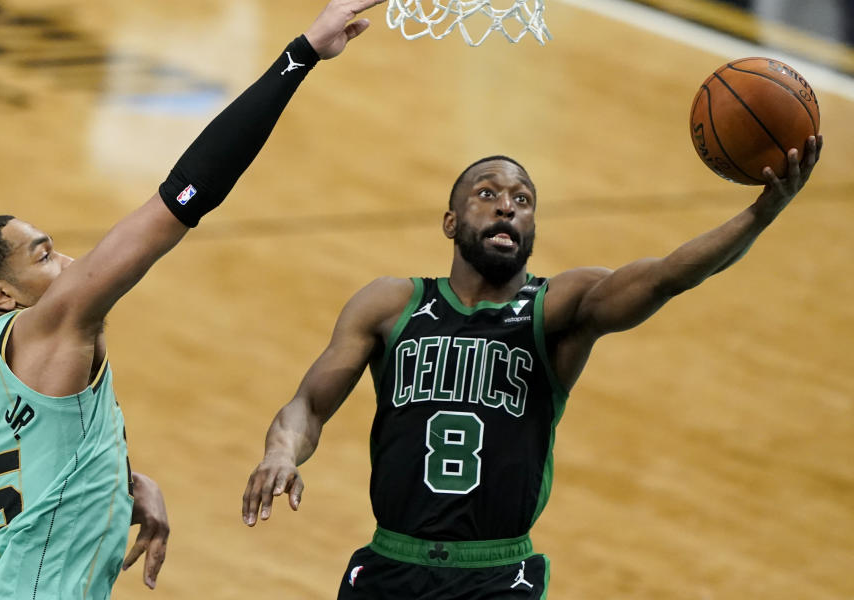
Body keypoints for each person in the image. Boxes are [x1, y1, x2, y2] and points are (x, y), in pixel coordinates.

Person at [0, 0, 395, 600]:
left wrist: (121, 482)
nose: (70, 264)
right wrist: (300, 55)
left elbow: (38, 462)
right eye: (44, 255)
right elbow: (186, 193)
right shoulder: (54, 321)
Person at [242, 137, 823, 599]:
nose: (506, 207)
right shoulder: (391, 303)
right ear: (450, 222)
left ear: (532, 228)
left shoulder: (558, 308)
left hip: (497, 576)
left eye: (522, 201)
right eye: (488, 194)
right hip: (389, 564)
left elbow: (669, 276)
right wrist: (280, 452)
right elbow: (309, 407)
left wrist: (759, 215)